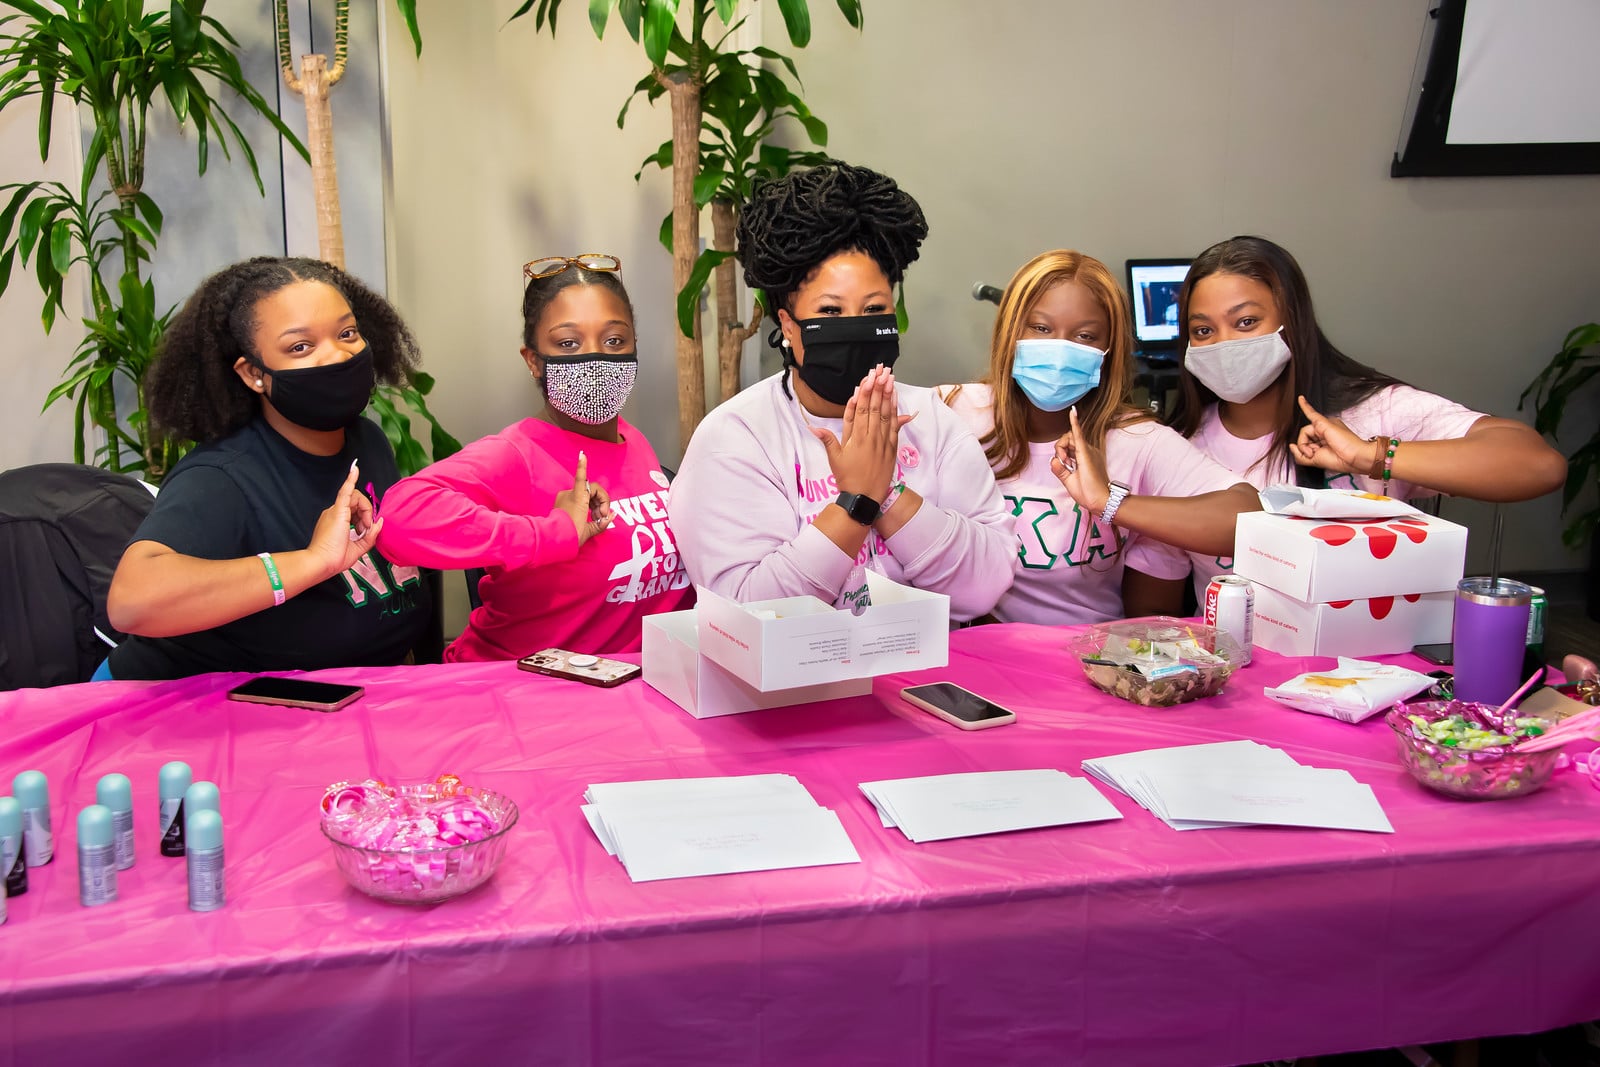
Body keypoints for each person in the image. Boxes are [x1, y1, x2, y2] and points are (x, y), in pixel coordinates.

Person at [669, 162, 1016, 621]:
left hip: (928, 675)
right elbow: (745, 612)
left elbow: (986, 585)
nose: (855, 326)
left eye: (874, 309)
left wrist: (887, 493)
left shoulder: (931, 420)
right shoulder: (736, 437)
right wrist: (856, 501)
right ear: (788, 326)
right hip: (793, 685)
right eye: (831, 312)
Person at [1168, 235, 1568, 601]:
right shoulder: (1178, 445)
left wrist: (1371, 457)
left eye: (1246, 322)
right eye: (1203, 331)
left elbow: (1538, 466)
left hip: (1376, 665)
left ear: (1293, 319)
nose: (1223, 344)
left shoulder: (1375, 410)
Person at [104, 257, 432, 680]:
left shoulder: (366, 439)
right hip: (186, 712)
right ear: (254, 374)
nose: (337, 353)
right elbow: (132, 602)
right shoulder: (222, 476)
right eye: (300, 346)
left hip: (349, 707)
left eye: (347, 333)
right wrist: (311, 562)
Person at [378, 254, 692, 659]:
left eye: (614, 340)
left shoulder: (633, 441)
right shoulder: (517, 454)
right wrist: (552, 532)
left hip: (629, 691)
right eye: (568, 343)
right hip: (520, 690)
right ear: (533, 361)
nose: (595, 357)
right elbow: (400, 519)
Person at [939, 250, 1259, 624]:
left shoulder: (1137, 439)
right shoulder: (953, 410)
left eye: (1084, 336)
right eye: (1040, 328)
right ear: (1010, 332)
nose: (1059, 348)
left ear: (1108, 351)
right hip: (979, 654)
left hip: (1088, 658)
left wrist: (1109, 502)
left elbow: (1247, 515)